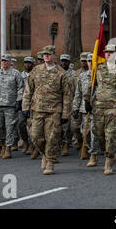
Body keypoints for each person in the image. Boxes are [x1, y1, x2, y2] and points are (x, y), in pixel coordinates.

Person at [22, 45, 72, 175]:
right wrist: (25, 107)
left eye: (49, 54)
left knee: (51, 137)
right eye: (44, 54)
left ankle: (50, 162)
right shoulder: (36, 70)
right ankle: (44, 153)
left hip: (54, 110)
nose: (46, 56)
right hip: (37, 109)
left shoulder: (61, 73)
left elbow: (67, 95)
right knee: (35, 136)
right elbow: (28, 90)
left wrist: (66, 114)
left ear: (54, 56)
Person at [84, 44, 116, 175]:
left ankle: (109, 161)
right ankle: (111, 151)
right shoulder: (99, 68)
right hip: (99, 106)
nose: (108, 54)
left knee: (110, 135)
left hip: (115, 107)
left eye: (111, 52)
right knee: (99, 134)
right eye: (106, 52)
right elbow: (92, 85)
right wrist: (86, 100)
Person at [0, 54, 24, 159]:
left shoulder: (16, 74)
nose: (3, 62)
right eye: (2, 61)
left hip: (11, 106)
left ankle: (8, 148)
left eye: (6, 61)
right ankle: (1, 144)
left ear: (10, 62)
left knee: (10, 128)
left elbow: (21, 88)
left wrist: (19, 101)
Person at [71, 52, 91, 158]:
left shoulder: (99, 75)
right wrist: (75, 108)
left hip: (97, 108)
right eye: (85, 61)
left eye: (89, 61)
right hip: (82, 107)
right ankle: (85, 146)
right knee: (80, 130)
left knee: (96, 132)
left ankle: (94, 150)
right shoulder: (79, 75)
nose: (87, 63)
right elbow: (76, 93)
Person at [19, 57, 36, 155]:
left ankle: (32, 145)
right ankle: (25, 141)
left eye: (29, 63)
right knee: (21, 124)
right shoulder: (20, 75)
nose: (27, 65)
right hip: (23, 103)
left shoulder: (36, 74)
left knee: (32, 126)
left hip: (34, 104)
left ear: (33, 64)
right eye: (25, 63)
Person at [59, 54, 74, 156]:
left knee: (67, 125)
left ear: (69, 62)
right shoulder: (57, 72)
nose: (64, 63)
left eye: (66, 61)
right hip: (57, 102)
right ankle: (59, 143)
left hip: (69, 101)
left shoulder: (73, 74)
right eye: (62, 61)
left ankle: (66, 143)